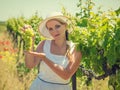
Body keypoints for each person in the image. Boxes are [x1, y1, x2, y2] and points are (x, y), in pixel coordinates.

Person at [24, 12, 82, 90]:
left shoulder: (75, 48)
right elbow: (30, 65)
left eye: (57, 26)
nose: (54, 31)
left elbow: (66, 75)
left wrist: (45, 59)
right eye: (50, 29)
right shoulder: (44, 44)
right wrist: (31, 39)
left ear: (65, 26)